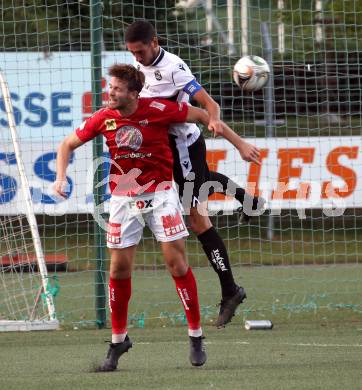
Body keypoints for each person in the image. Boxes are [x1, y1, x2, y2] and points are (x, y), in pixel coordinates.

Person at [54, 64, 213, 370]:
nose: (109, 92)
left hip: (161, 194)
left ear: (133, 93)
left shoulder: (159, 109)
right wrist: (60, 178)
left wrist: (214, 120)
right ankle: (118, 341)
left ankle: (195, 335)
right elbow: (67, 144)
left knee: (176, 264)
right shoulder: (104, 117)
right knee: (118, 270)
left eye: (116, 88)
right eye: (109, 87)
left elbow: (201, 116)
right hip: (123, 199)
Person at [125, 20, 264, 328]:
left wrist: (225, 130)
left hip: (183, 148)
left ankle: (231, 290)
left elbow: (207, 105)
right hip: (158, 150)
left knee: (197, 219)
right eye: (132, 52)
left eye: (140, 51)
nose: (137, 57)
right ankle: (248, 200)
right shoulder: (135, 69)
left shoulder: (174, 67)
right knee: (200, 187)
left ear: (154, 42)